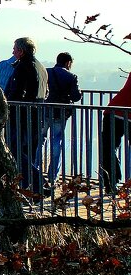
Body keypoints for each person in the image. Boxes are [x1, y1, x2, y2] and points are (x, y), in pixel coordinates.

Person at [4, 36, 48, 195]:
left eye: (14, 48)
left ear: (21, 51)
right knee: (26, 151)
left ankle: (37, 184)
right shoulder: (40, 66)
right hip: (36, 112)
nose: (13, 51)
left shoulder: (24, 66)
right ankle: (36, 186)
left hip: (22, 114)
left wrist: (7, 104)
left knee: (15, 150)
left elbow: (16, 91)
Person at [43, 52, 82, 188]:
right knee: (56, 141)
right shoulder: (71, 77)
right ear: (68, 63)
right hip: (60, 113)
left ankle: (34, 172)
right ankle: (52, 176)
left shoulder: (46, 72)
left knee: (39, 141)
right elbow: (76, 97)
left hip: (44, 110)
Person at [101, 73, 131, 193]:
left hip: (114, 112)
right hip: (117, 113)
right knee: (108, 148)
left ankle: (111, 183)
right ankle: (112, 182)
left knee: (108, 148)